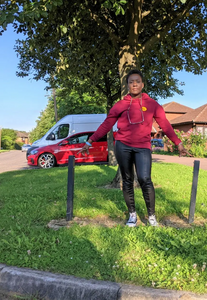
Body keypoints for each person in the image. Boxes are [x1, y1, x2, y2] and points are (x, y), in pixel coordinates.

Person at [78, 69, 189, 227]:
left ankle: (151, 216)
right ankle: (132, 215)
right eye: (131, 82)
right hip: (123, 146)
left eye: (137, 81)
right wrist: (90, 141)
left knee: (145, 179)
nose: (134, 84)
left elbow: (165, 124)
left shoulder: (152, 105)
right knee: (128, 180)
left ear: (142, 84)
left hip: (143, 147)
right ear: (127, 85)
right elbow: (106, 125)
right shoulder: (120, 105)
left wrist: (178, 143)